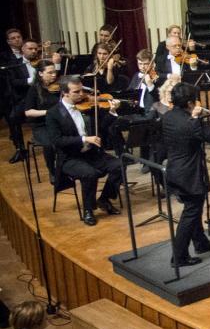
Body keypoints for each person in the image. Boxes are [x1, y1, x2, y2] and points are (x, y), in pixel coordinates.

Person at [161, 82, 210, 266]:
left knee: (194, 209)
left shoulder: (168, 116)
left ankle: (200, 243)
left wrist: (195, 117)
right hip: (189, 175)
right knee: (191, 213)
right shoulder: (191, 124)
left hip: (175, 171)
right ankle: (179, 257)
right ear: (191, 103)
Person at [45, 76, 124, 226]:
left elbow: (102, 128)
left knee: (120, 165)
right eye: (76, 91)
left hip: (92, 154)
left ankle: (104, 199)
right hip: (70, 158)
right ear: (64, 93)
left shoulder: (87, 108)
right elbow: (57, 141)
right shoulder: (54, 114)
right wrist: (84, 139)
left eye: (82, 90)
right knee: (89, 174)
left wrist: (112, 112)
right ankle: (88, 209)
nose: (82, 94)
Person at [23, 61, 62, 180]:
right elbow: (28, 112)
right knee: (49, 144)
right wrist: (48, 112)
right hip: (41, 125)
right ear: (40, 73)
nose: (54, 75)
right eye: (50, 73)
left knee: (70, 138)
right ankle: (52, 170)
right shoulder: (34, 90)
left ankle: (65, 166)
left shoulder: (58, 88)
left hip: (57, 123)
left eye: (54, 72)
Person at [6, 38, 40, 163]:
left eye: (35, 49)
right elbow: (13, 82)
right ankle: (20, 149)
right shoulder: (16, 64)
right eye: (30, 49)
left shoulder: (41, 62)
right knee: (13, 117)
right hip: (25, 99)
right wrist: (29, 81)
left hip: (41, 98)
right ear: (23, 50)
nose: (33, 51)